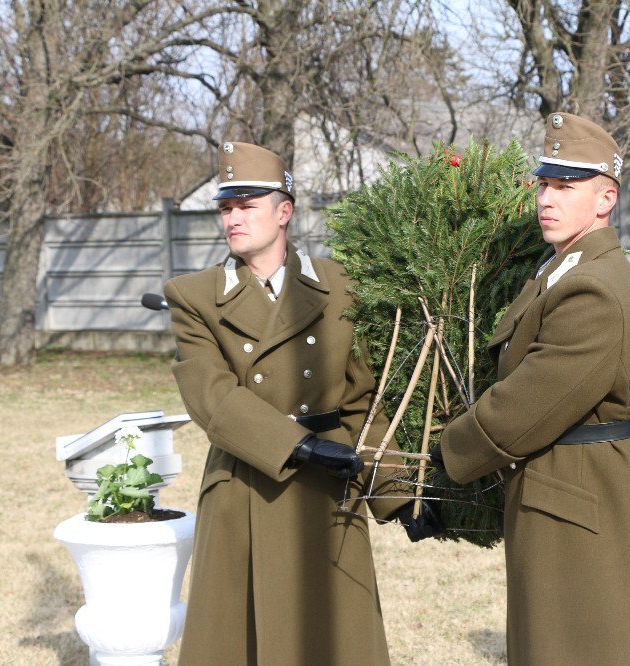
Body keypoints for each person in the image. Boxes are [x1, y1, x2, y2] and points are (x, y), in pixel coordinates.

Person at [433, 113, 630, 665]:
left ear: (606, 200)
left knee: (589, 645)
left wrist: (442, 460)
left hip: (586, 499)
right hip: (573, 489)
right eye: (544, 184)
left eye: (565, 187)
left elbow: (525, 407)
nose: (546, 199)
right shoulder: (562, 268)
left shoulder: (592, 289)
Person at [164, 141, 440, 665]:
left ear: (284, 211)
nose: (232, 218)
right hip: (249, 479)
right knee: (243, 639)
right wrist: (302, 448)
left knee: (334, 638)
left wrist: (397, 494)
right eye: (226, 207)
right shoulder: (194, 296)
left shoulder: (339, 285)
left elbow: (362, 399)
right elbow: (214, 400)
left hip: (328, 488)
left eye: (246, 205)